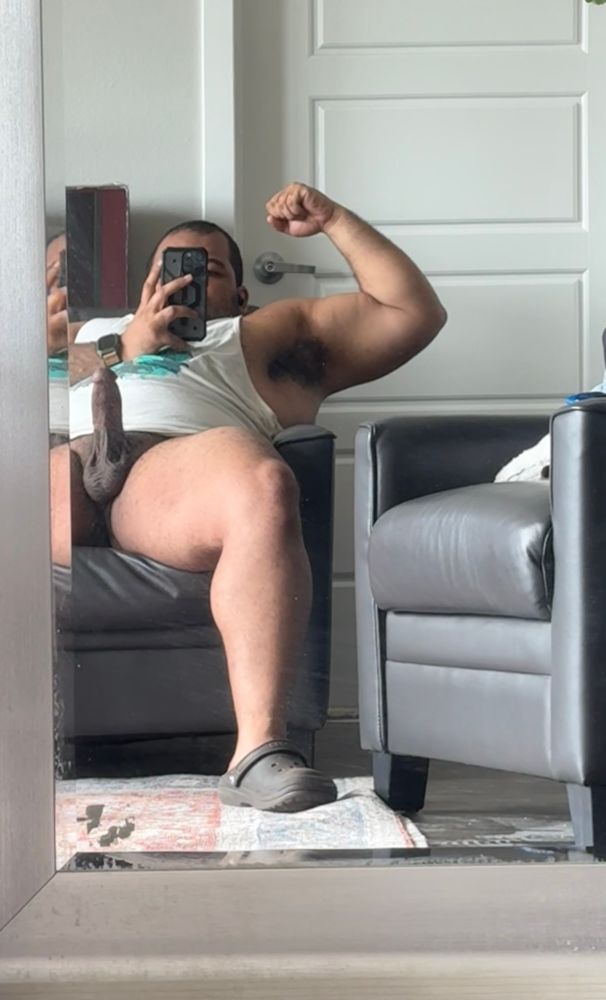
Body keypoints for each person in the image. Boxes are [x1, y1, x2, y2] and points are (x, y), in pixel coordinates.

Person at [50, 182, 447, 813]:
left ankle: (258, 753)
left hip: (170, 471)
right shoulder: (90, 333)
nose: (183, 282)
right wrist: (124, 346)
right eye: (169, 269)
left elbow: (412, 313)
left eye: (205, 272)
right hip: (63, 461)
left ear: (239, 295)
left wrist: (334, 219)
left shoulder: (259, 337)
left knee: (264, 483)